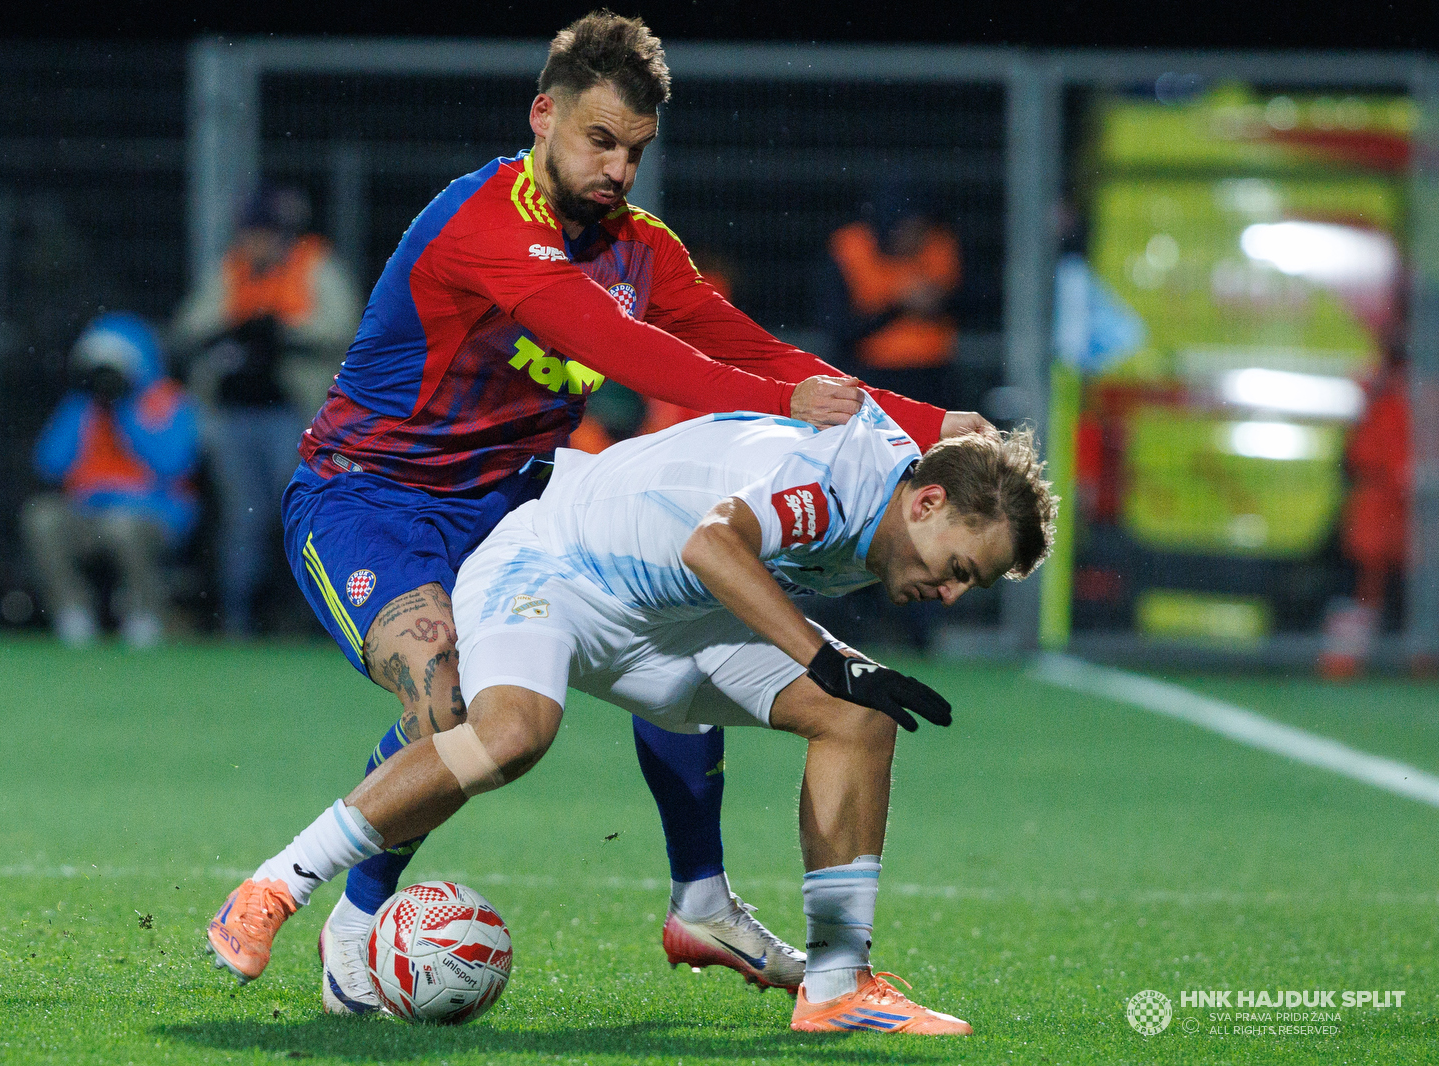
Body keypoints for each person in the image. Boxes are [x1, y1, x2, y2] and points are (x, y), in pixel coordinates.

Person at [206, 10, 994, 1008]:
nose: (618, 169)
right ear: (543, 114)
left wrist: (932, 419)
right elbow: (627, 352)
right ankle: (347, 918)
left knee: (662, 573)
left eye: (635, 150)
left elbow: (750, 346)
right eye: (599, 139)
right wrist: (776, 400)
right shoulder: (483, 223)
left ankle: (700, 896)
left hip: (517, 493)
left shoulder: (638, 247)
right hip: (372, 496)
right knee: (446, 703)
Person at [223, 398, 1055, 1033]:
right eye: (957, 569)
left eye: (969, 587)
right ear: (927, 501)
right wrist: (824, 656)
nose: (948, 593)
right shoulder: (839, 485)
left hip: (670, 623)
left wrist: (836, 674)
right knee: (511, 735)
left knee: (858, 718)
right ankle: (273, 888)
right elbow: (711, 547)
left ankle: (838, 984)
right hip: (556, 569)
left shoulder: (900, 501)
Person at [170, 187, 361, 636]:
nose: (258, 242)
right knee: (244, 519)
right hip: (234, 414)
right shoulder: (232, 270)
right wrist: (235, 329)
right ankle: (241, 620)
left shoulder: (314, 265)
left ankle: (312, 620)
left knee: (302, 512)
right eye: (252, 233)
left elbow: (344, 327)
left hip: (298, 415)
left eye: (267, 233)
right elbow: (189, 327)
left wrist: (281, 331)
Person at [23, 313, 200, 648]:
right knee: (42, 518)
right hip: (88, 512)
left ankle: (144, 614)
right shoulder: (84, 405)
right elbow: (49, 462)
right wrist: (84, 405)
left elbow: (174, 463)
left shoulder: (166, 401)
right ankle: (73, 613)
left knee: (124, 526)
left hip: (152, 513)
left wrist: (125, 408)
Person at [820, 183, 962, 410]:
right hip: (868, 379)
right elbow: (839, 328)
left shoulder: (939, 244)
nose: (913, 238)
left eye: (919, 229)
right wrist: (900, 303)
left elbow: (970, 304)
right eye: (906, 229)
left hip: (933, 378)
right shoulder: (851, 247)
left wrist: (937, 303)